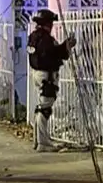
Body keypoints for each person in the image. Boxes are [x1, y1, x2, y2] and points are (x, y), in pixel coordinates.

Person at [27, 9, 75, 152]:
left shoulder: (33, 37)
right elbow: (54, 54)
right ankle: (43, 142)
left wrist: (64, 46)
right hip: (46, 76)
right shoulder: (46, 39)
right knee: (45, 108)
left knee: (41, 106)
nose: (52, 25)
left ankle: (38, 140)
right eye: (51, 23)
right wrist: (66, 46)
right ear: (47, 23)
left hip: (37, 74)